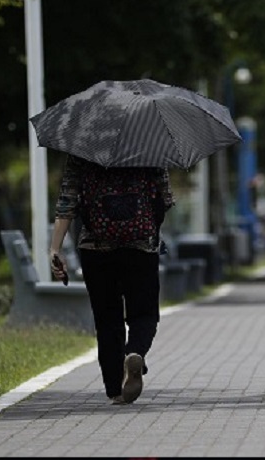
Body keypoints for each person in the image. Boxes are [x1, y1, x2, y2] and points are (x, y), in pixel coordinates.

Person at [48, 154, 174, 405]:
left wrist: (55, 248)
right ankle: (135, 351)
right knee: (144, 314)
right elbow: (166, 199)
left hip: (95, 248)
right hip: (141, 247)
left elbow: (67, 202)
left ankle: (115, 388)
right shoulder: (150, 147)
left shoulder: (82, 151)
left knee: (107, 319)